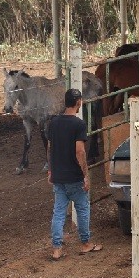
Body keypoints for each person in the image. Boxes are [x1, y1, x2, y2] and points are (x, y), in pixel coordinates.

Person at [46, 88, 101, 260]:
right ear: (78, 103)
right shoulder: (79, 124)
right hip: (75, 177)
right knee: (82, 210)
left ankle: (56, 248)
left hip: (58, 177)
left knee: (59, 212)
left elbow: (49, 148)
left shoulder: (53, 123)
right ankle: (85, 244)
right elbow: (80, 152)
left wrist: (51, 170)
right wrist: (85, 174)